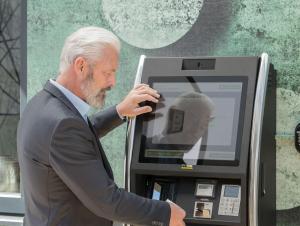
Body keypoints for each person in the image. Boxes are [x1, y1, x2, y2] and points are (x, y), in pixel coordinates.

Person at [17, 27, 186, 226]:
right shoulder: (63, 125)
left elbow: (78, 137)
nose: (112, 82)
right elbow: (108, 201)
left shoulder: (41, 105)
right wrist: (166, 213)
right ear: (81, 66)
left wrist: (119, 111)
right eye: (108, 72)